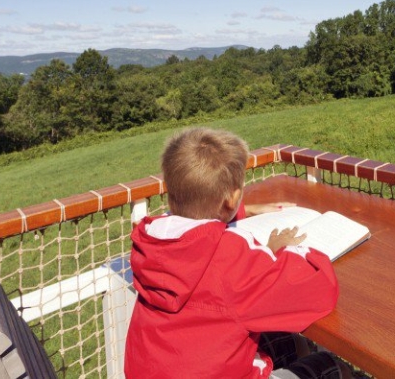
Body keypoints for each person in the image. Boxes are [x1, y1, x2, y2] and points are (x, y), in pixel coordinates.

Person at [124, 127, 347, 379]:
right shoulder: (230, 260)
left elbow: (194, 221)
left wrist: (245, 211)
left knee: (285, 341)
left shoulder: (149, 241)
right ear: (233, 198)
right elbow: (320, 290)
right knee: (330, 365)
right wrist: (283, 248)